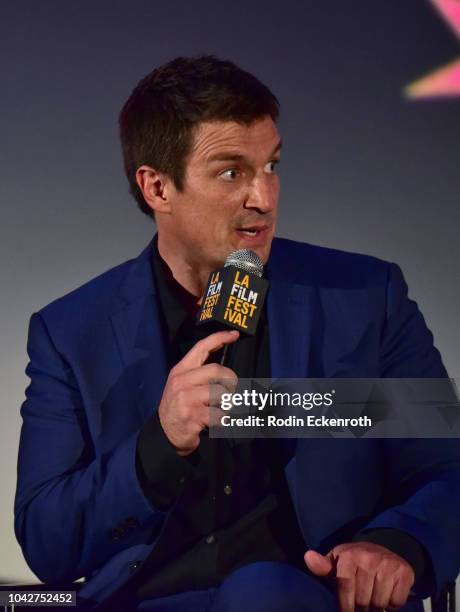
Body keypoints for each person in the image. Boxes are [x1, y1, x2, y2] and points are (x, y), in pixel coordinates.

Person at [14, 55, 460, 612]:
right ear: (157, 188)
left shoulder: (369, 298)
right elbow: (47, 542)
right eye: (232, 172)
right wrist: (158, 445)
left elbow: (447, 469)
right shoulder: (68, 333)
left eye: (271, 165)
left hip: (306, 595)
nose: (264, 198)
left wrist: (398, 543)